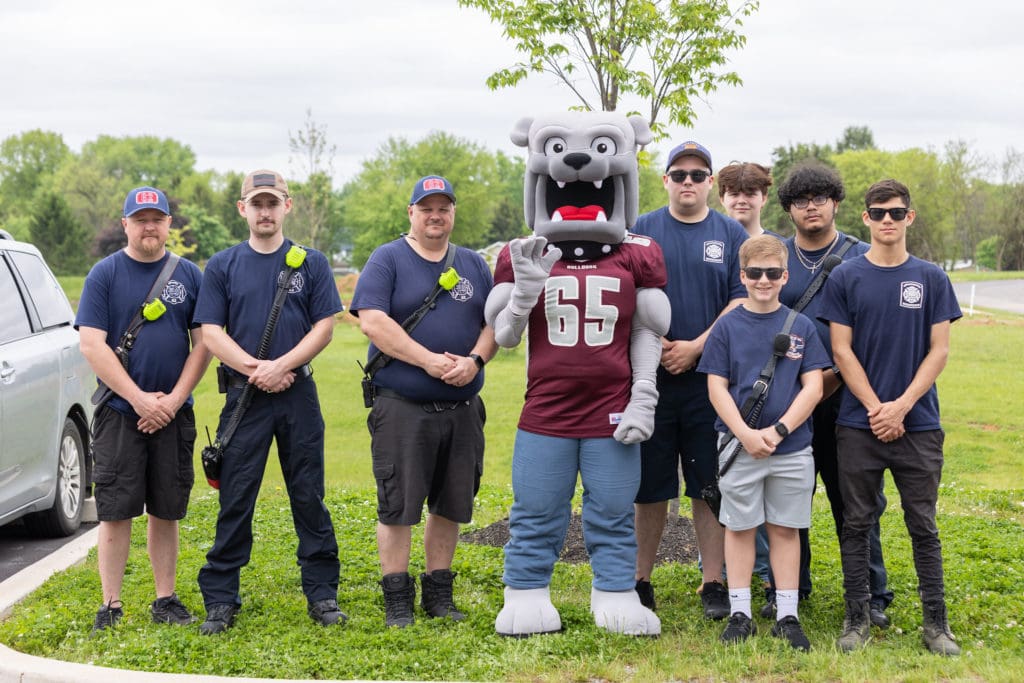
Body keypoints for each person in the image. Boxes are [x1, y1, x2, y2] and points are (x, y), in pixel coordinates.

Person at [194, 170, 345, 634]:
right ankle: (221, 599)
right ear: (242, 208)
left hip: (298, 394)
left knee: (308, 495)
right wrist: (255, 370)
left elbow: (325, 326)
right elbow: (210, 332)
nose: (264, 211)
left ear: (287, 206)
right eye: (256, 203)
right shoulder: (222, 265)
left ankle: (322, 595)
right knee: (235, 499)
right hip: (244, 399)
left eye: (272, 202)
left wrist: (282, 367)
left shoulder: (311, 263)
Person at [820, 179, 962, 655]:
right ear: (865, 218)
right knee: (856, 522)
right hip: (859, 425)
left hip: (918, 424)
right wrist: (876, 408)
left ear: (910, 218)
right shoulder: (845, 276)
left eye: (896, 213)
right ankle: (856, 618)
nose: (887, 220)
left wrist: (901, 406)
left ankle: (936, 624)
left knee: (923, 525)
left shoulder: (931, 278)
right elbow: (841, 349)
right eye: (878, 213)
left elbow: (939, 351)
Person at [349, 175, 496, 628]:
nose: (436, 215)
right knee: (398, 505)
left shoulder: (473, 263)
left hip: (463, 409)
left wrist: (474, 360)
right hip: (402, 407)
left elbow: (495, 324)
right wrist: (429, 362)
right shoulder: (387, 259)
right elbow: (372, 321)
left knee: (451, 503)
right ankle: (397, 599)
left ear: (453, 213)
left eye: (444, 207)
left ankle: (438, 594)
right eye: (426, 207)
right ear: (411, 212)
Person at [77, 186, 209, 632]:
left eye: (157, 218)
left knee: (166, 510)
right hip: (119, 412)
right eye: (141, 218)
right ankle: (110, 606)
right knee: (115, 511)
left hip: (173, 412)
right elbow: (92, 344)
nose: (149, 226)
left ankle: (165, 599)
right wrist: (137, 398)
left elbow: (204, 343)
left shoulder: (189, 275)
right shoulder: (104, 275)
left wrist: (171, 401)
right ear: (125, 224)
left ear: (169, 223)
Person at [774, 162, 893, 625]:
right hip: (789, 402)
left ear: (836, 203)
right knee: (789, 501)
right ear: (789, 209)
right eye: (801, 201)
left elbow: (872, 331)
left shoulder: (863, 255)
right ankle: (789, 590)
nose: (811, 207)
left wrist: (834, 384)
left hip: (848, 401)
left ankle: (870, 595)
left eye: (820, 198)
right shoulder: (775, 257)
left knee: (856, 502)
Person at [632, 141, 748, 618]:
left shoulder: (730, 233)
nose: (687, 182)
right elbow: (627, 292)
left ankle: (714, 581)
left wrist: (696, 345)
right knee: (650, 487)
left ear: (710, 184)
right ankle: (640, 580)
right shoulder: (642, 229)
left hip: (709, 381)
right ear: (665, 180)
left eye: (698, 176)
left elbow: (741, 299)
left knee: (708, 484)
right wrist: (656, 345)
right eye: (678, 174)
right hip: (650, 379)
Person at [698, 235, 829, 651]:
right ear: (743, 276)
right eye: (755, 273)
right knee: (738, 527)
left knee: (785, 529)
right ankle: (741, 613)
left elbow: (814, 386)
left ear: (785, 276)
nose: (764, 280)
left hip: (791, 448)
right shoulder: (727, 326)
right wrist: (746, 433)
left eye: (773, 273)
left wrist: (780, 431)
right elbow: (716, 386)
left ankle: (787, 614)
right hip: (738, 446)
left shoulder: (800, 326)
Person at [717, 162, 776, 238]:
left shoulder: (780, 246)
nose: (741, 201)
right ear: (722, 199)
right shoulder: (705, 243)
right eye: (734, 194)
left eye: (749, 194)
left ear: (764, 199)